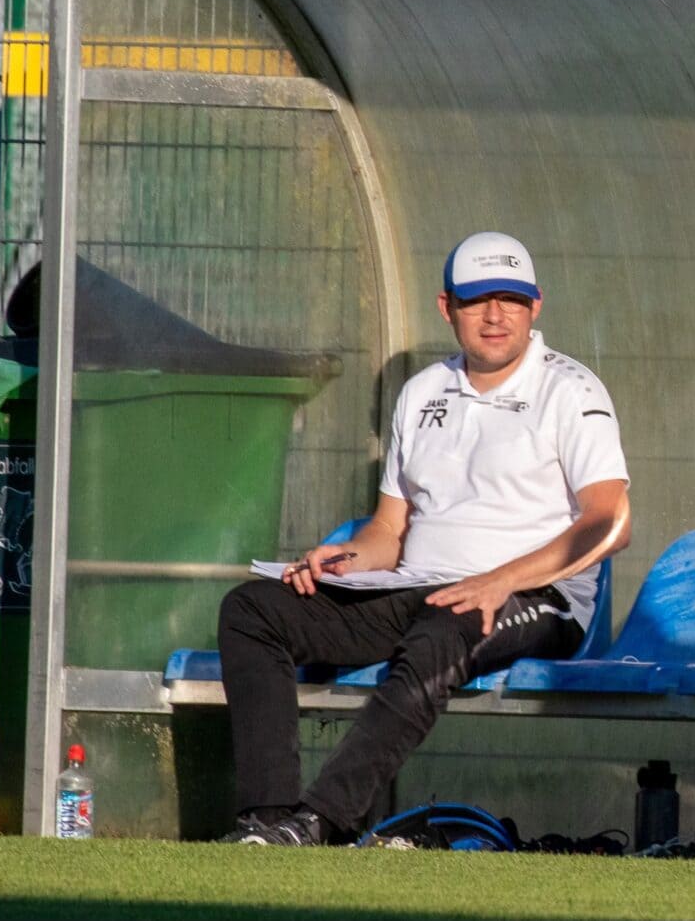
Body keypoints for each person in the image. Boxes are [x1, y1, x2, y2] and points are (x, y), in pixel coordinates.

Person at [217, 231, 631, 845]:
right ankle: (268, 821)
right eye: (477, 300)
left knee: (443, 630)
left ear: (535, 305)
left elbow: (611, 521)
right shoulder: (421, 392)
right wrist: (343, 561)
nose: (496, 315)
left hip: (537, 597)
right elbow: (391, 531)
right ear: (447, 308)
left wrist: (501, 580)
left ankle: (322, 820)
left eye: (511, 299)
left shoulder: (570, 390)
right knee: (252, 610)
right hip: (421, 587)